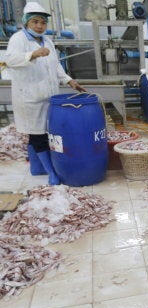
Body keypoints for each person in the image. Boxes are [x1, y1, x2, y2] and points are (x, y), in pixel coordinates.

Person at [5, 2, 85, 185]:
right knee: (37, 135)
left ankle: (36, 167)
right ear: (26, 22)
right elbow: (10, 60)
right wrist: (32, 54)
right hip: (30, 99)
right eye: (35, 22)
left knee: (45, 134)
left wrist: (69, 81)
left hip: (50, 98)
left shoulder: (47, 41)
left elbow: (55, 66)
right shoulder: (18, 39)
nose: (40, 26)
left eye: (43, 22)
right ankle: (51, 173)